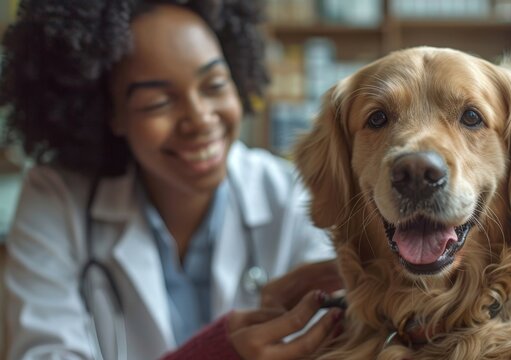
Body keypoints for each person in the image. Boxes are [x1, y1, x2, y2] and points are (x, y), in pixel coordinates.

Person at [0, 0, 343, 359]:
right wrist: (213, 354)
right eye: (158, 102)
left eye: (214, 85)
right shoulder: (56, 199)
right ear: (111, 113)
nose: (199, 119)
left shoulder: (292, 195)